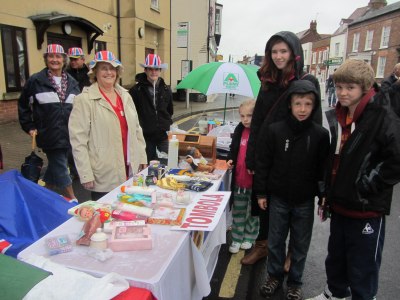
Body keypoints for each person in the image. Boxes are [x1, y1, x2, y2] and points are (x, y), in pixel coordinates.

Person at [308, 59, 400, 300]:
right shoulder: (341, 114)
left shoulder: (381, 115)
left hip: (366, 207)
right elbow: (336, 156)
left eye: (350, 87)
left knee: (363, 265)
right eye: (339, 87)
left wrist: (368, 184)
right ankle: (335, 293)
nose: (342, 93)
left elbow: (396, 160)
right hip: (339, 203)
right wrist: (326, 189)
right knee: (336, 255)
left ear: (365, 87)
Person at [242, 31, 322, 266]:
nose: (278, 56)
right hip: (268, 154)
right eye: (274, 51)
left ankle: (290, 253)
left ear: (293, 53)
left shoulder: (306, 81)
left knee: (292, 208)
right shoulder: (267, 79)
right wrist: (252, 156)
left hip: (293, 155)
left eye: (283, 51)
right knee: (264, 204)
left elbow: (314, 124)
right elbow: (257, 119)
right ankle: (263, 245)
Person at [255, 80, 329, 300]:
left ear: (314, 105)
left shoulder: (320, 135)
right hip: (278, 198)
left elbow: (323, 168)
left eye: (308, 104)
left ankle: (295, 281)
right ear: (290, 104)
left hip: (304, 200)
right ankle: (274, 276)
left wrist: (323, 195)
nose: (303, 109)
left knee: (300, 243)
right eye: (298, 103)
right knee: (276, 240)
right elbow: (263, 164)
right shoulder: (275, 130)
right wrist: (260, 193)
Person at [69, 50, 147, 200]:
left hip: (130, 169)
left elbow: (137, 130)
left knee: (130, 214)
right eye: (104, 68)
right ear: (95, 72)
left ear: (117, 72)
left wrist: (142, 157)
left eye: (112, 68)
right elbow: (78, 141)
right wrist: (85, 173)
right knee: (106, 217)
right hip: (104, 173)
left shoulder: (125, 95)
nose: (109, 72)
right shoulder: (84, 100)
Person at [18, 44, 80, 200]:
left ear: (64, 60)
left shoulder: (72, 82)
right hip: (48, 133)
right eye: (51, 56)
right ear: (46, 59)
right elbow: (23, 104)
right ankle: (73, 200)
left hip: (69, 133)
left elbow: (80, 108)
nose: (54, 60)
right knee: (61, 166)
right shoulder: (36, 81)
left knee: (55, 167)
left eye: (58, 56)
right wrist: (29, 126)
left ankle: (41, 195)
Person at [226, 99, 259, 254]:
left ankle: (250, 237)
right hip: (239, 181)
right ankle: (237, 238)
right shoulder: (239, 131)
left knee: (252, 213)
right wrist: (230, 159)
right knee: (238, 211)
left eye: (250, 115)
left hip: (254, 183)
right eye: (242, 116)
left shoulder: (260, 132)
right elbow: (233, 149)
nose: (245, 119)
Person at [129, 54, 173, 163]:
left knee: (170, 162)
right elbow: (132, 113)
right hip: (145, 137)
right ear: (145, 70)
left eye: (156, 69)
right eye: (150, 69)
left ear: (160, 70)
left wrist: (165, 123)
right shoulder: (136, 90)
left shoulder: (167, 89)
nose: (154, 72)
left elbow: (170, 110)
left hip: (163, 135)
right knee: (149, 166)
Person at [66, 47, 91, 180]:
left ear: (83, 59)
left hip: (88, 110)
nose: (73, 62)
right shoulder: (66, 74)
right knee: (73, 143)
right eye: (71, 59)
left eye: (76, 59)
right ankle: (74, 169)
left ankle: (87, 165)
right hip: (71, 111)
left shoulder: (90, 73)